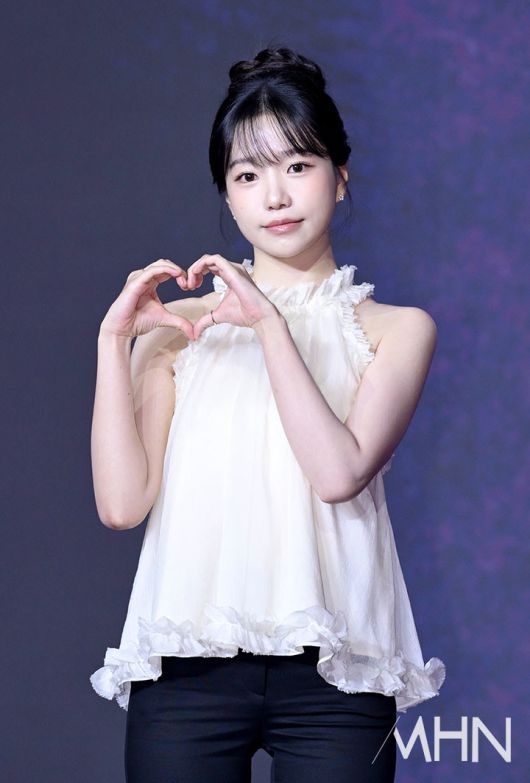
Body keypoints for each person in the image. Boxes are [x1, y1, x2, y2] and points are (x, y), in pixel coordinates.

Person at [89, 45, 446, 783]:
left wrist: (269, 325)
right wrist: (113, 342)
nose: (275, 195)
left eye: (298, 165)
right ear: (227, 195)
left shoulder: (396, 330)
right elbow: (122, 506)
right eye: (248, 175)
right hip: (187, 668)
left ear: (340, 176)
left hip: (336, 675)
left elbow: (338, 473)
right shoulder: (179, 328)